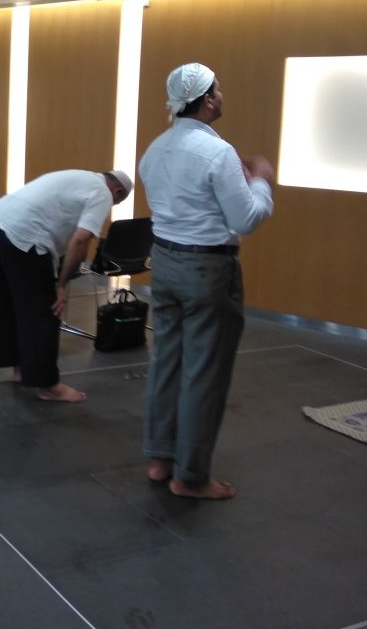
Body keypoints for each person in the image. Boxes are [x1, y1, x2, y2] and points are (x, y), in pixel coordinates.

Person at [139, 63, 274, 499]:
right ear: (210, 99)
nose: (222, 93)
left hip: (164, 262)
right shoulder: (218, 154)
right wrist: (263, 183)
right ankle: (191, 476)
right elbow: (246, 218)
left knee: (167, 362)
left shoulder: (155, 149)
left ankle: (161, 459)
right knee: (204, 373)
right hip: (207, 270)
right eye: (219, 87)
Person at [0, 169, 132, 402]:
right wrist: (60, 285)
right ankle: (49, 385)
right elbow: (81, 240)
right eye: (117, 202)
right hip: (26, 234)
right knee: (46, 309)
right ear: (117, 192)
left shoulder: (81, 177)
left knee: (11, 303)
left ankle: (20, 369)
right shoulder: (102, 193)